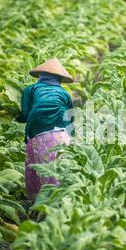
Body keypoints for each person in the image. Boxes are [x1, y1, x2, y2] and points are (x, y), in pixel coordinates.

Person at [17, 58, 74, 201]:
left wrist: (12, 114)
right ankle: (62, 202)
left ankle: (38, 205)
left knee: (39, 169)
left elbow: (24, 115)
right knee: (59, 169)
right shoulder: (64, 93)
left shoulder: (31, 89)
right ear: (59, 79)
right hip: (61, 134)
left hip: (39, 133)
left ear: (40, 76)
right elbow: (70, 117)